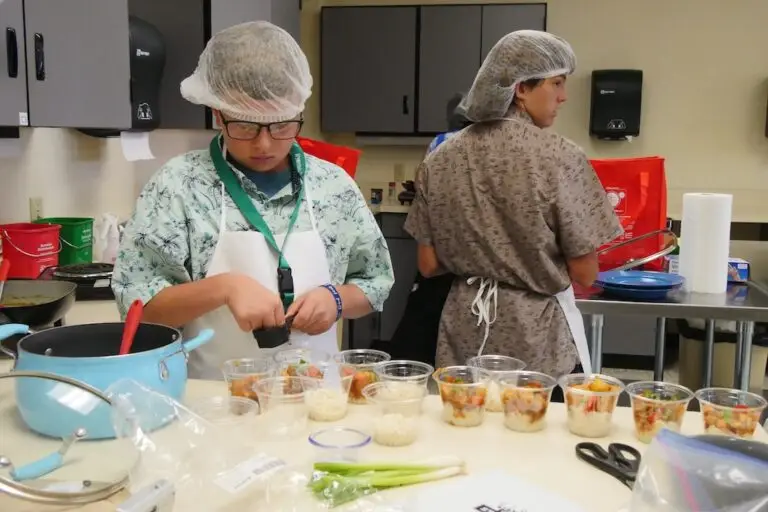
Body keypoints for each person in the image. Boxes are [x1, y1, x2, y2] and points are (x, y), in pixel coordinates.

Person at [112, 22, 395, 379]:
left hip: (316, 404)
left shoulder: (332, 186)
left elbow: (374, 281)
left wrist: (336, 300)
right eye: (245, 126)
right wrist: (224, 287)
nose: (264, 145)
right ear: (218, 113)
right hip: (217, 406)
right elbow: (141, 308)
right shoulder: (179, 185)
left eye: (281, 126)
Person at [403, 30, 622, 379]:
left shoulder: (440, 158)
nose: (564, 97)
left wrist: (483, 260)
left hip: (463, 330)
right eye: (557, 83)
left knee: (465, 419)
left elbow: (428, 265)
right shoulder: (560, 157)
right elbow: (585, 272)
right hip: (534, 335)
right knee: (529, 422)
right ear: (521, 89)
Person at [387, 94, 470, 366]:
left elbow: (428, 265)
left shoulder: (440, 145)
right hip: (473, 278)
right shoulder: (495, 150)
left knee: (414, 347)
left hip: (440, 267)